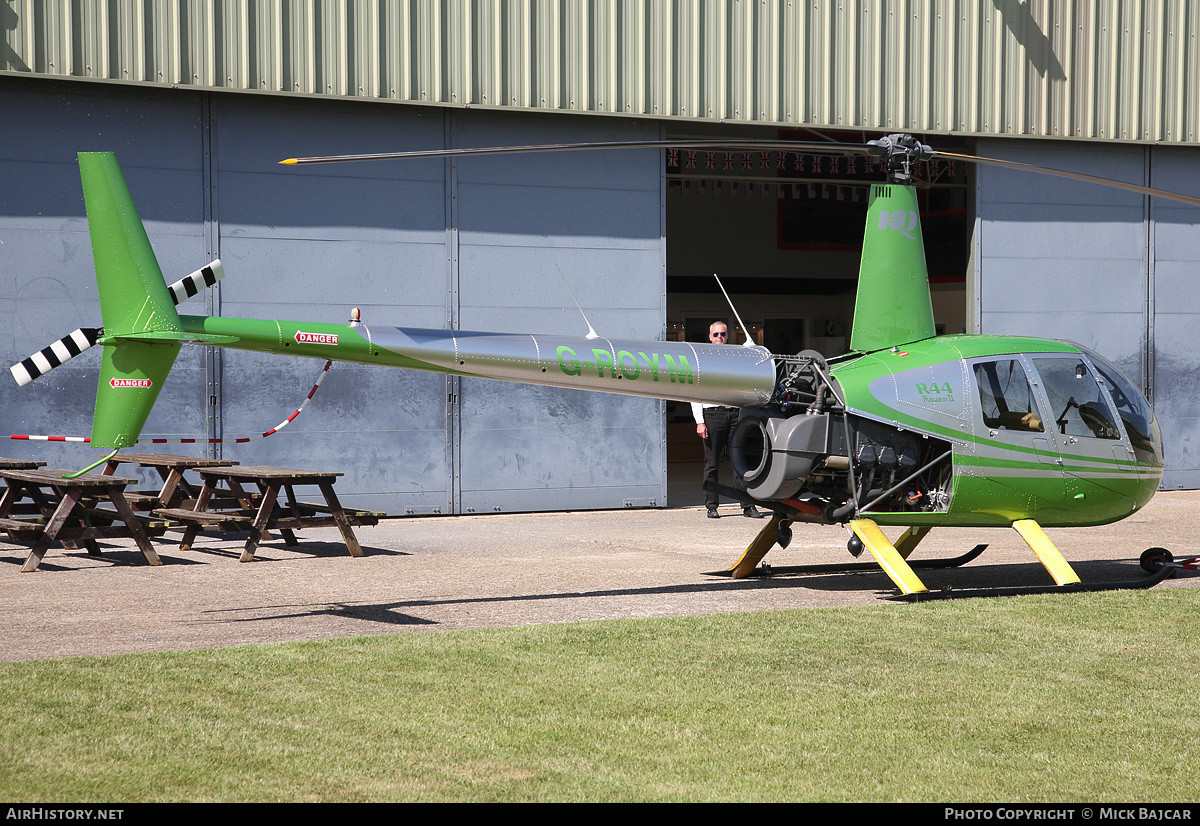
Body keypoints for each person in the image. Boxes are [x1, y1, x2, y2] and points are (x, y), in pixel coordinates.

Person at [691, 321, 765, 520]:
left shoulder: (735, 357)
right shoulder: (703, 360)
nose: (719, 338)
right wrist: (700, 421)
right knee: (712, 463)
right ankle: (712, 506)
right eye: (716, 334)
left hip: (734, 414)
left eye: (723, 334)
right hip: (712, 415)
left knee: (741, 462)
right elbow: (694, 392)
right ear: (710, 337)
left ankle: (748, 506)